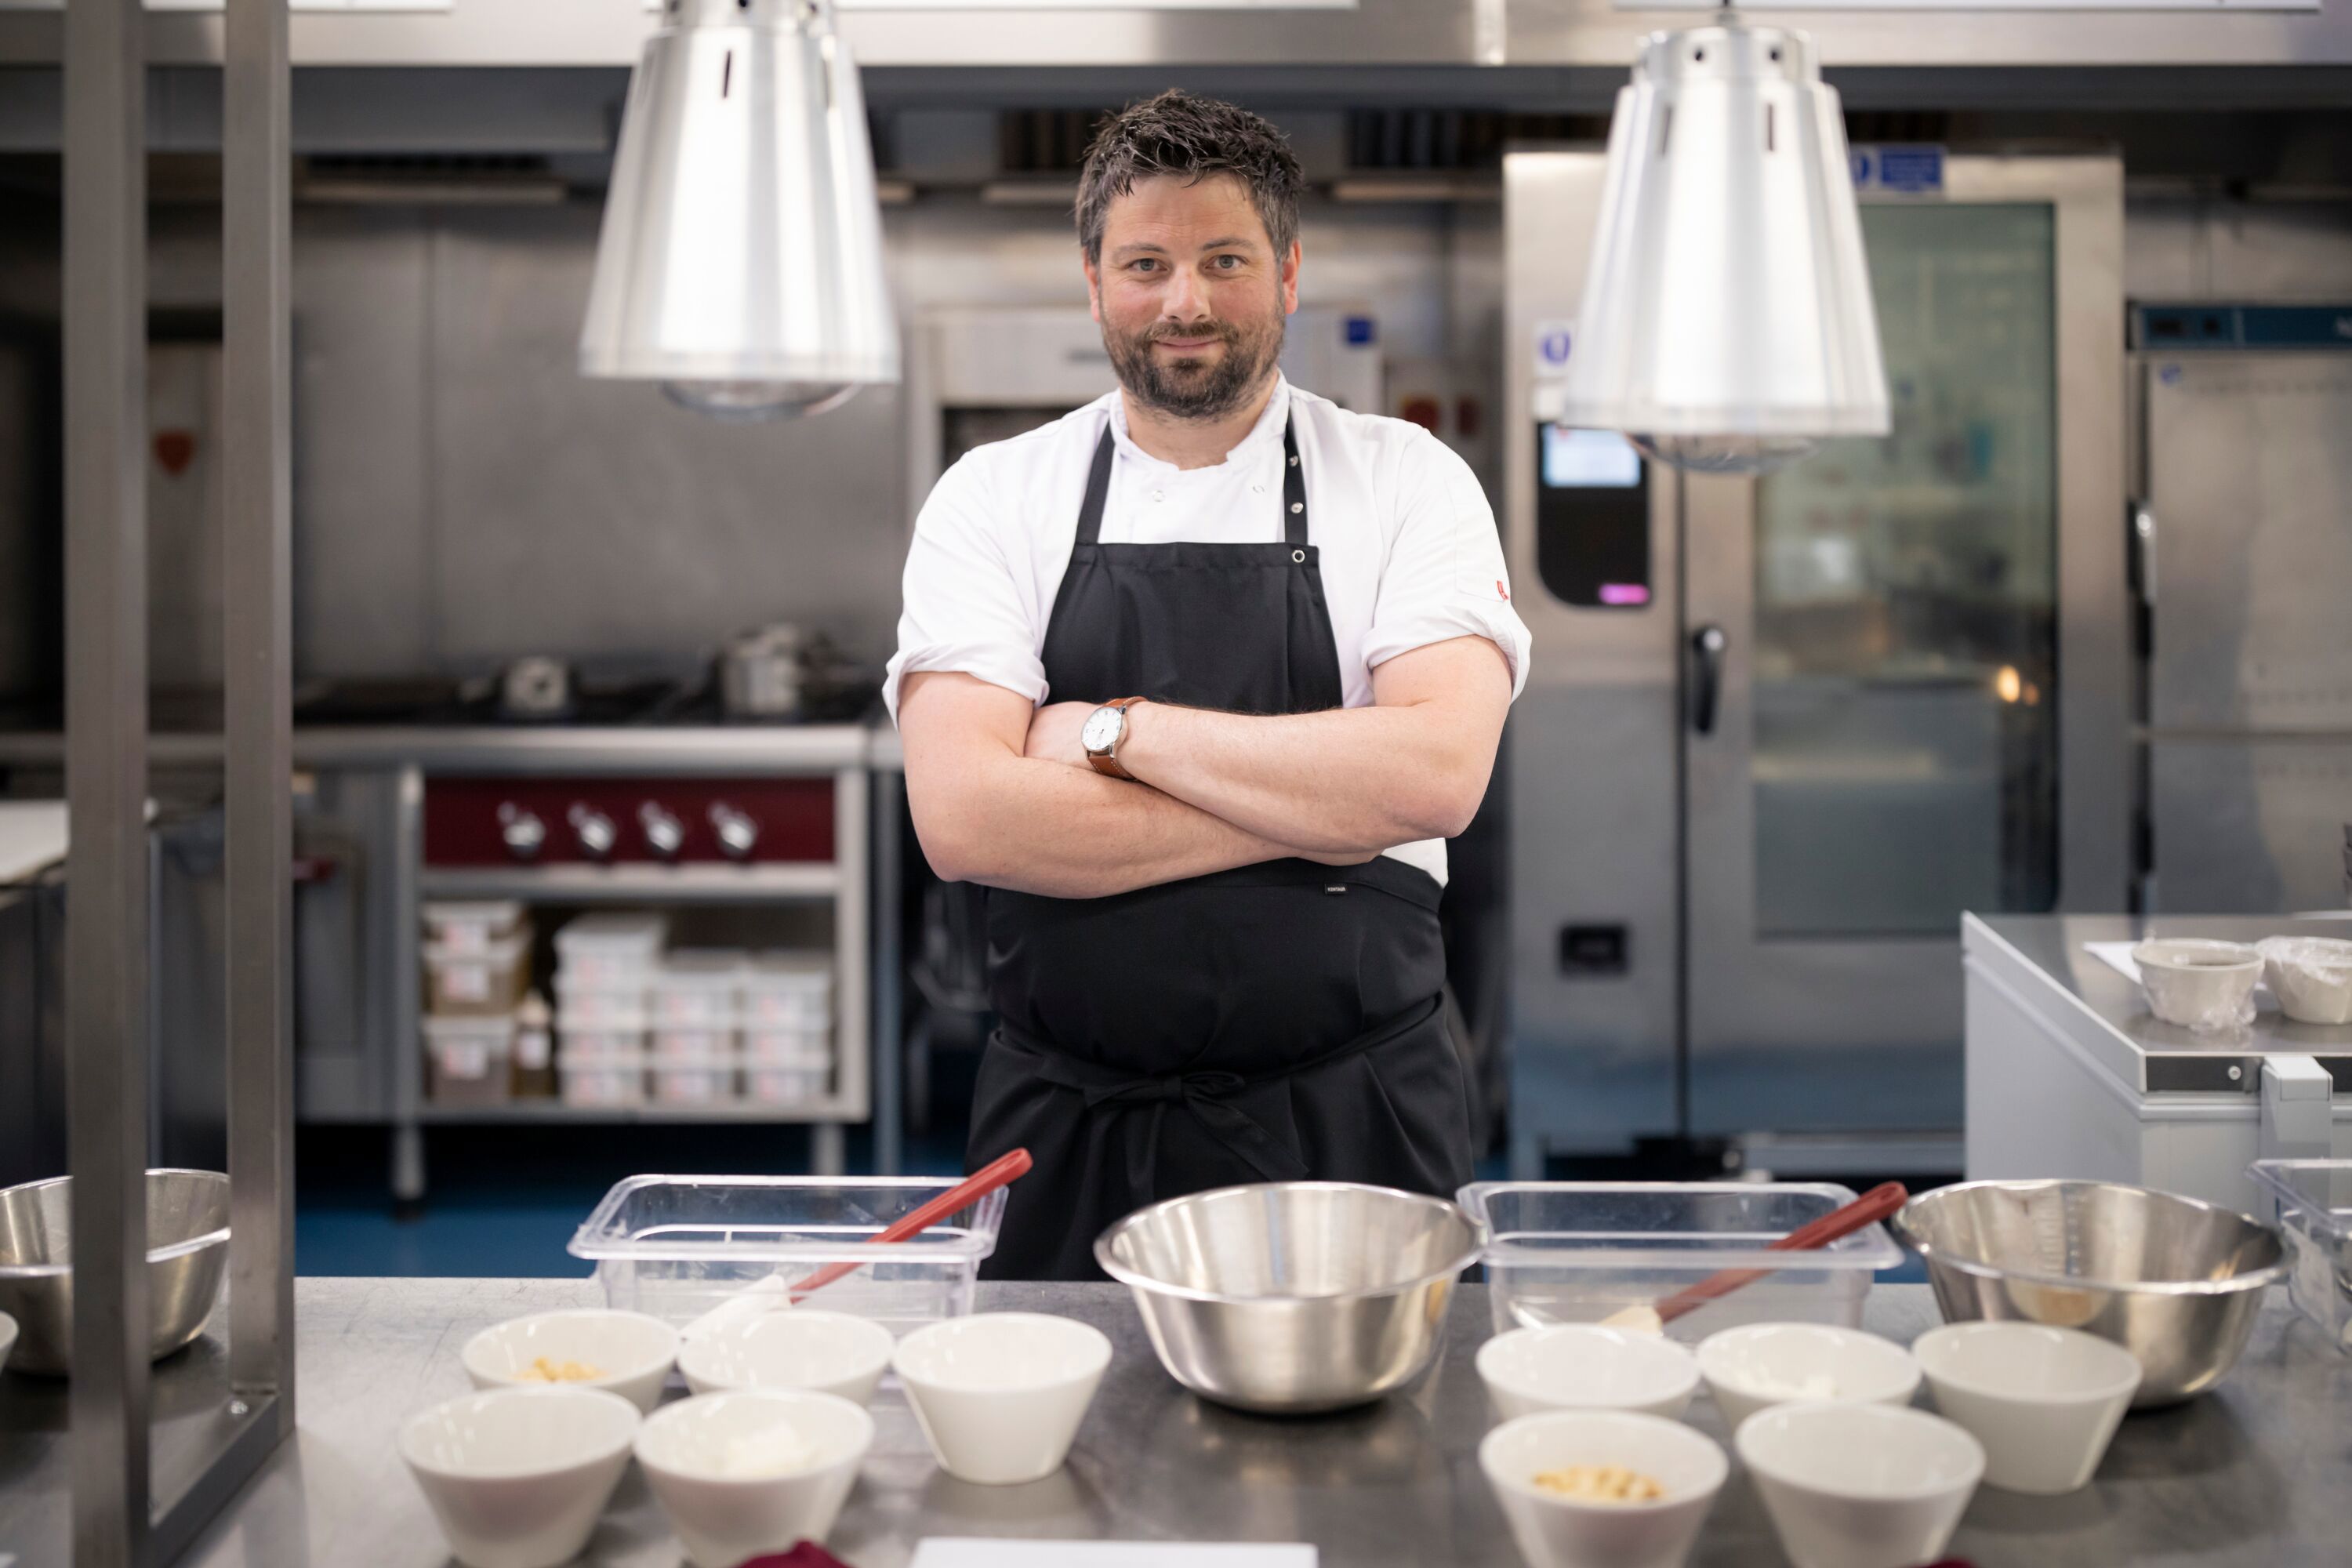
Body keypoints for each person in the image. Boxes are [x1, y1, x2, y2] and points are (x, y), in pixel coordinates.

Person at [886, 89, 1532, 1279]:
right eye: (1146, 263)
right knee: (1056, 1459)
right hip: (1068, 1132)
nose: (1184, 301)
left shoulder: (1407, 480)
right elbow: (965, 818)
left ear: (1288, 274)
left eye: (1223, 259)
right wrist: (1326, 812)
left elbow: (1436, 776)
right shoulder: (996, 495)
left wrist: (1111, 733)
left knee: (1385, 1463)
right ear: (1094, 285)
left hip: (1355, 1126)